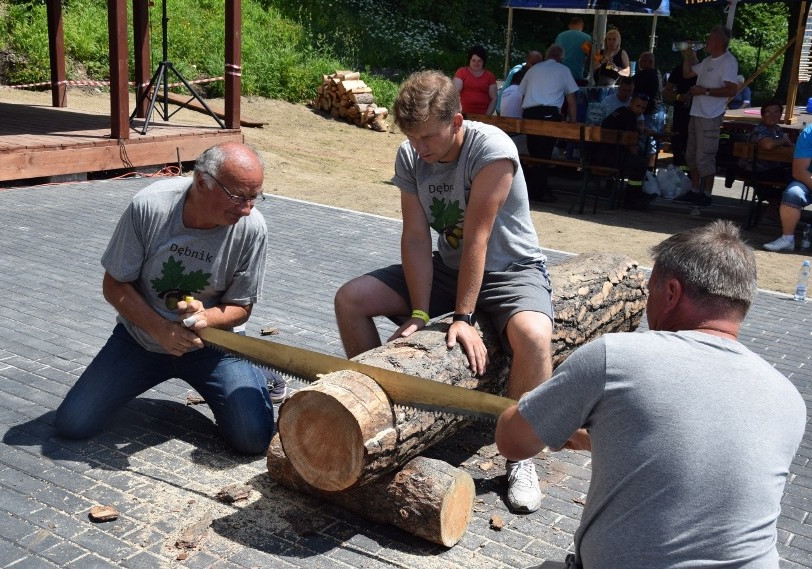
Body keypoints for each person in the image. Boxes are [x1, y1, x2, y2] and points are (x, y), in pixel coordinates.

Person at [496, 220, 806, 568]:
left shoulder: (614, 358)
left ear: (671, 293)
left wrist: (539, 409)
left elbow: (512, 443)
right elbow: (694, 456)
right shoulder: (789, 398)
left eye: (649, 291)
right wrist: (600, 437)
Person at [334, 70, 554, 515]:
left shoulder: (492, 149)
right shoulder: (410, 154)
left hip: (511, 269)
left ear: (457, 121)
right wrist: (418, 310)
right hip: (450, 268)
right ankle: (374, 418)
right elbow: (415, 237)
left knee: (534, 337)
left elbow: (478, 237)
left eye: (428, 139)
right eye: (411, 139)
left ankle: (521, 454)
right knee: (350, 300)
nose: (420, 150)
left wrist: (464, 318)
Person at [54, 143, 284, 455]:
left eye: (254, 197)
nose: (246, 208)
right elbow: (114, 285)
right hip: (141, 340)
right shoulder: (150, 206)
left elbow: (241, 308)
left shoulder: (252, 228)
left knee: (253, 440)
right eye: (237, 197)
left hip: (212, 345)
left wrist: (206, 319)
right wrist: (160, 329)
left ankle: (257, 374)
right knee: (73, 424)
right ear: (202, 182)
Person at [675, 25, 739, 207]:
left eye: (710, 37)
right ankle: (695, 190)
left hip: (711, 115)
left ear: (719, 41)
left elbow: (732, 89)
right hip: (696, 113)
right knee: (692, 155)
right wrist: (688, 55)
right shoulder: (708, 60)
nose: (707, 41)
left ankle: (707, 194)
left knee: (705, 157)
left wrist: (706, 91)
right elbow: (688, 73)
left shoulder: (728, 61)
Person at [518, 44, 579, 202]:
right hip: (549, 115)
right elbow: (571, 99)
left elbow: (522, 94)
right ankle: (538, 191)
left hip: (530, 115)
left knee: (535, 154)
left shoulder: (533, 69)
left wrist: (522, 115)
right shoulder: (563, 70)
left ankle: (535, 189)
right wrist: (573, 122)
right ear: (561, 58)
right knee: (544, 154)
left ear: (546, 55)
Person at [763, 120, 812, 252]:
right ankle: (787, 239)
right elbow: (799, 171)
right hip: (808, 179)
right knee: (793, 193)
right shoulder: (809, 133)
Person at [596, 92, 650, 209]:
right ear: (630, 103)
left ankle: (634, 195)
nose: (640, 110)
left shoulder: (620, 111)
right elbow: (632, 145)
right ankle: (632, 199)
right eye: (638, 106)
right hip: (609, 157)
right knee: (640, 164)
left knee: (638, 161)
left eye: (643, 108)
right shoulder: (630, 116)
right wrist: (637, 159)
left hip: (598, 155)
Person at [737, 98, 793, 187]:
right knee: (793, 177)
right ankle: (781, 200)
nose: (772, 115)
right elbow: (768, 145)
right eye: (768, 112)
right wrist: (785, 140)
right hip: (755, 170)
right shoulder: (760, 129)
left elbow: (789, 147)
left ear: (780, 115)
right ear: (762, 115)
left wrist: (788, 143)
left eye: (776, 112)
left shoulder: (777, 129)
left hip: (772, 168)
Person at [663, 51, 698, 170]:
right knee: (678, 145)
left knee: (694, 148)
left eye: (691, 48)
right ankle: (680, 177)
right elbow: (666, 92)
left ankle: (692, 181)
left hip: (699, 115)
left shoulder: (703, 69)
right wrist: (679, 97)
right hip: (681, 115)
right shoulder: (677, 70)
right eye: (684, 49)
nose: (688, 52)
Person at [632, 51, 665, 167]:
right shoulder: (657, 73)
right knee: (652, 143)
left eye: (641, 61)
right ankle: (649, 170)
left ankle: (647, 171)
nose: (640, 63)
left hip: (649, 113)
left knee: (648, 143)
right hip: (658, 111)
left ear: (649, 62)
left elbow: (630, 83)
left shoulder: (645, 74)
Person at [453, 45, 498, 116]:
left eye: (479, 61)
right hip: (463, 114)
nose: (476, 63)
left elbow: (494, 98)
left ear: (483, 62)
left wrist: (487, 117)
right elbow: (455, 92)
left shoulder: (490, 76)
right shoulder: (461, 72)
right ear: (469, 60)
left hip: (483, 116)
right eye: (473, 60)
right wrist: (458, 112)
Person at [497, 50, 543, 117]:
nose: (536, 67)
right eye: (533, 64)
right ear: (527, 61)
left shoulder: (540, 73)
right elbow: (504, 90)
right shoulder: (516, 71)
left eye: (538, 64)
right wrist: (499, 110)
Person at [555, 16, 591, 83]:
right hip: (577, 76)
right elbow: (591, 58)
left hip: (560, 76)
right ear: (582, 26)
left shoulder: (560, 36)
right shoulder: (587, 38)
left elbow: (555, 55)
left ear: (569, 25)